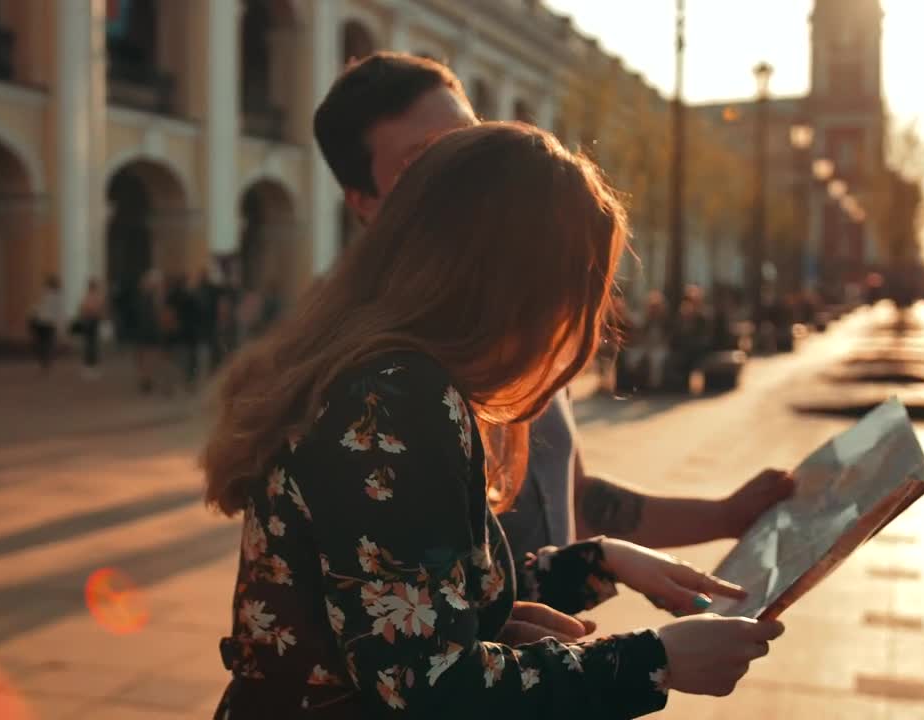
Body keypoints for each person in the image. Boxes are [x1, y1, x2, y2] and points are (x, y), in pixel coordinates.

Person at [203, 123, 784, 718]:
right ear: (519, 287)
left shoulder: (381, 375)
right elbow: (428, 686)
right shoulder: (399, 400)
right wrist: (655, 661)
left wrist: (603, 560)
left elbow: (419, 589)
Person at [313, 52, 793, 642]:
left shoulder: (517, 321)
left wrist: (718, 518)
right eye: (425, 160)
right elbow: (418, 663)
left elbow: (569, 499)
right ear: (361, 198)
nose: (469, 176)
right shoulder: (386, 371)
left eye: (470, 143)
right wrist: (648, 665)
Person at [29, 275, 63, 372]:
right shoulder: (52, 295)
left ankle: (45, 362)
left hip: (44, 322)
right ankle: (45, 362)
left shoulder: (49, 295)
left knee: (43, 343)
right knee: (46, 343)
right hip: (46, 322)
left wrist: (34, 312)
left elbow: (44, 309)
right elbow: (57, 311)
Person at [74, 278, 106, 379]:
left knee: (91, 344)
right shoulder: (93, 296)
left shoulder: (91, 296)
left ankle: (91, 366)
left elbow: (85, 308)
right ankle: (89, 366)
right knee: (90, 344)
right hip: (90, 321)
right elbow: (86, 308)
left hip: (91, 321)